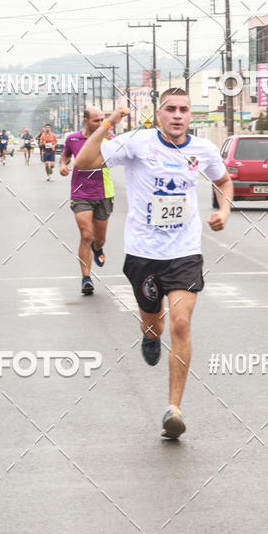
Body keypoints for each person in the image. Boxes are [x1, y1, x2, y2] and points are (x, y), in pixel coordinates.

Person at [74, 87, 233, 440]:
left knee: (179, 322)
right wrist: (110, 123)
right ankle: (148, 334)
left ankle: (173, 409)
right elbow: (84, 163)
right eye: (171, 109)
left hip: (185, 251)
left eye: (184, 110)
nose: (178, 115)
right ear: (158, 114)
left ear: (191, 116)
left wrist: (224, 208)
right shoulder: (137, 143)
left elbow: (223, 180)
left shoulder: (203, 149)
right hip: (144, 254)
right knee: (155, 325)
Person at [60, 107, 115, 296]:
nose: (101, 124)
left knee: (99, 239)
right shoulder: (73, 139)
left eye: (102, 120)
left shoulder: (109, 137)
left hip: (103, 192)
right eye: (96, 121)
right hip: (80, 193)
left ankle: (97, 247)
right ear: (85, 121)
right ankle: (86, 278)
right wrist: (62, 165)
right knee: (86, 234)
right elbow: (65, 155)